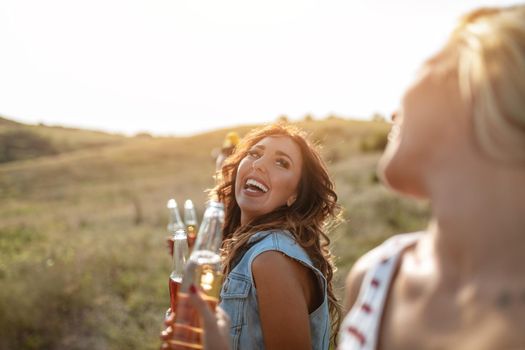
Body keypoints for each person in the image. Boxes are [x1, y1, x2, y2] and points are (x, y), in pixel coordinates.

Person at [164, 4, 525, 350]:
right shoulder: (378, 276)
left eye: (430, 65)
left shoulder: (273, 258)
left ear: (480, 99)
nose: (394, 109)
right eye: (253, 154)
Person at [162, 123, 342, 349]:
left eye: (281, 162)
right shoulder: (248, 247)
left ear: (294, 195)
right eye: (254, 154)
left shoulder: (272, 259)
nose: (258, 164)